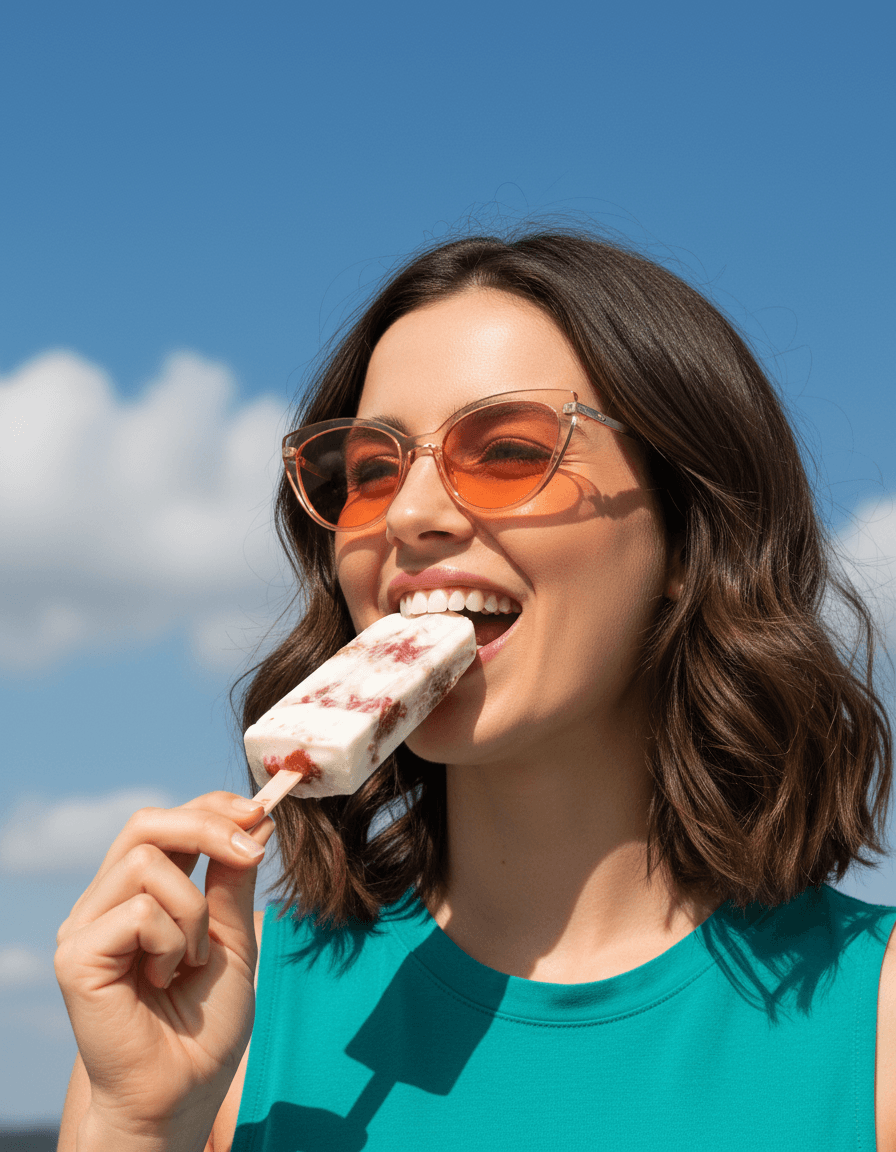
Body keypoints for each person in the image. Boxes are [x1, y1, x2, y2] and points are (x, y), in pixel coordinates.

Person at [55, 230, 896, 1151]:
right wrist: (139, 1124)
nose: (409, 515)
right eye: (371, 471)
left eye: (507, 452)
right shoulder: (211, 1025)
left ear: (687, 536)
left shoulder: (876, 1026)